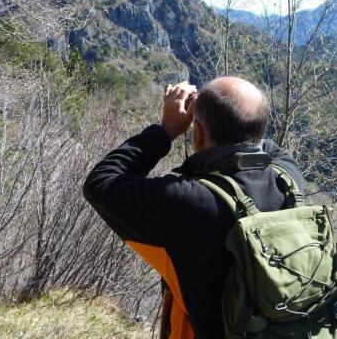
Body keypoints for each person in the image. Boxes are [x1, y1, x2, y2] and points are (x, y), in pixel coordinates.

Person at [83, 77, 305, 339]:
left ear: (197, 133)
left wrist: (166, 130)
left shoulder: (185, 203)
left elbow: (101, 182)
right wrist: (222, 116)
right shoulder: (289, 181)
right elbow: (265, 147)